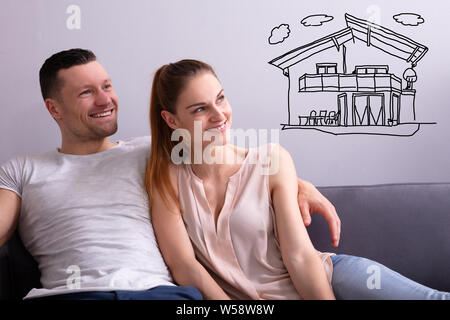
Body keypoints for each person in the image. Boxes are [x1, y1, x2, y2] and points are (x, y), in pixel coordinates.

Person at [0, 48, 339, 300]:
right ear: (54, 108)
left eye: (107, 86)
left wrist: (299, 184)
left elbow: (238, 162)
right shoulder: (22, 170)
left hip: (159, 295)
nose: (105, 100)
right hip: (71, 296)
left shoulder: (156, 154)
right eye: (87, 92)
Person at [146, 59, 450, 300]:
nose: (220, 115)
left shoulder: (270, 160)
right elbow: (186, 268)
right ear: (171, 120)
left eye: (221, 98)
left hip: (326, 280)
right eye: (200, 108)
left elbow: (299, 256)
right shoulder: (166, 180)